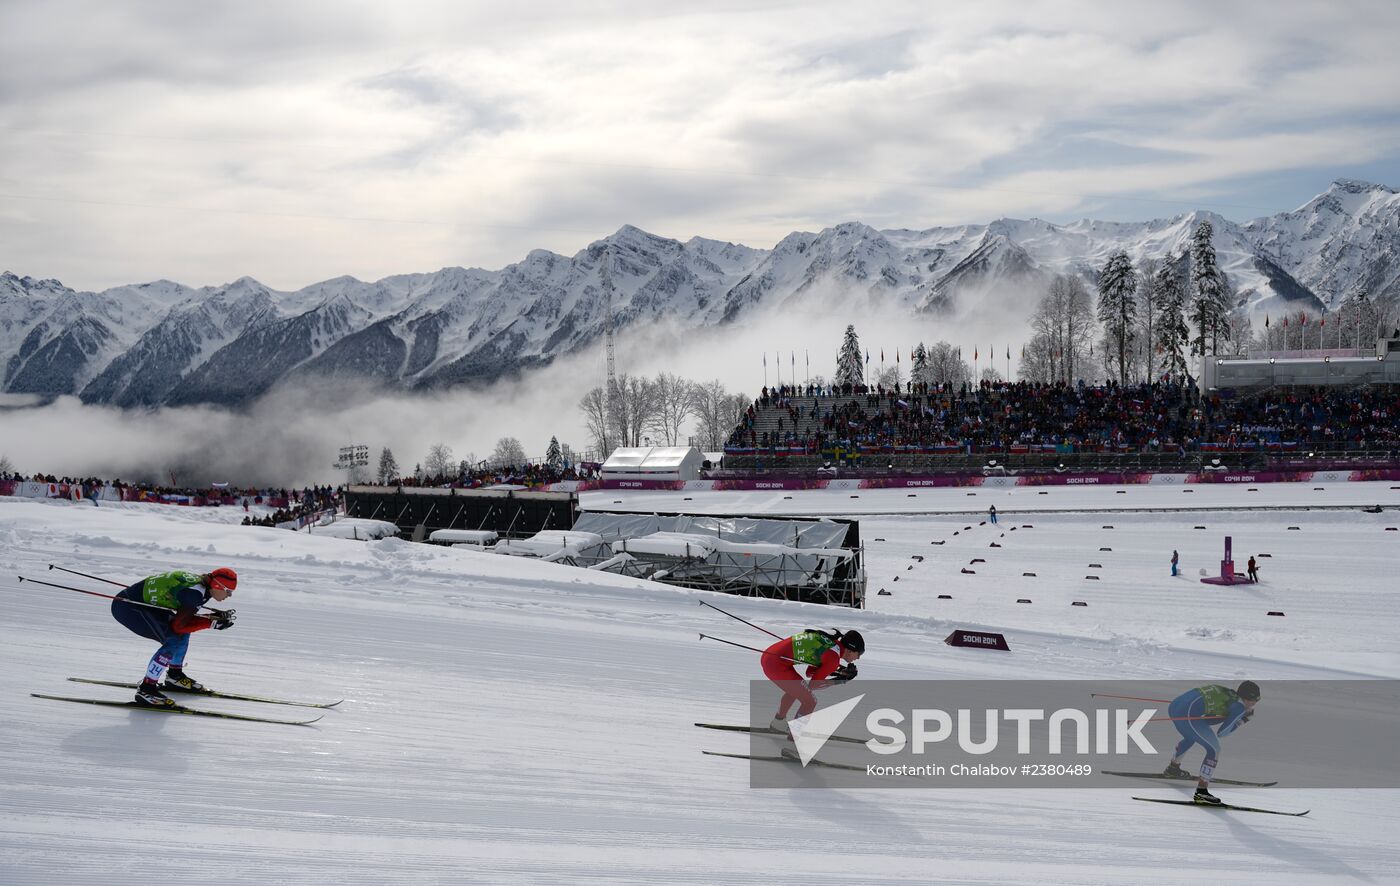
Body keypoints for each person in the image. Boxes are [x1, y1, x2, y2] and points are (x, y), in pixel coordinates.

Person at [111, 568, 238, 706]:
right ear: (217, 585)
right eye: (228, 591)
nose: (229, 595)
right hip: (128, 607)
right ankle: (147, 689)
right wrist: (211, 623)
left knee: (181, 633)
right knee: (173, 640)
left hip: (142, 603)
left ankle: (174, 676)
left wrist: (210, 619)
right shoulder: (195, 593)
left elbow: (184, 618)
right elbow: (180, 625)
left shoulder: (201, 587)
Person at [762, 628, 864, 755]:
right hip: (776, 665)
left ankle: (778, 722)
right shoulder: (833, 658)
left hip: (770, 656)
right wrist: (839, 680)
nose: (858, 658)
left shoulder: (831, 645)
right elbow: (814, 685)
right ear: (849, 649)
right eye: (859, 653)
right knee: (810, 701)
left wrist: (837, 671)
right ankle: (791, 746)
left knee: (799, 688)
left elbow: (810, 672)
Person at [1162, 680, 1260, 805]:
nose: (1255, 704)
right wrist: (1243, 720)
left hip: (1175, 706)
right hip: (1187, 714)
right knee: (1215, 750)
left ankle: (1173, 769)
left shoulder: (1228, 694)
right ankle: (1201, 792)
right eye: (1256, 700)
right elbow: (1222, 733)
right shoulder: (1239, 707)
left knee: (1191, 736)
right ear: (1248, 699)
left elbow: (1205, 720)